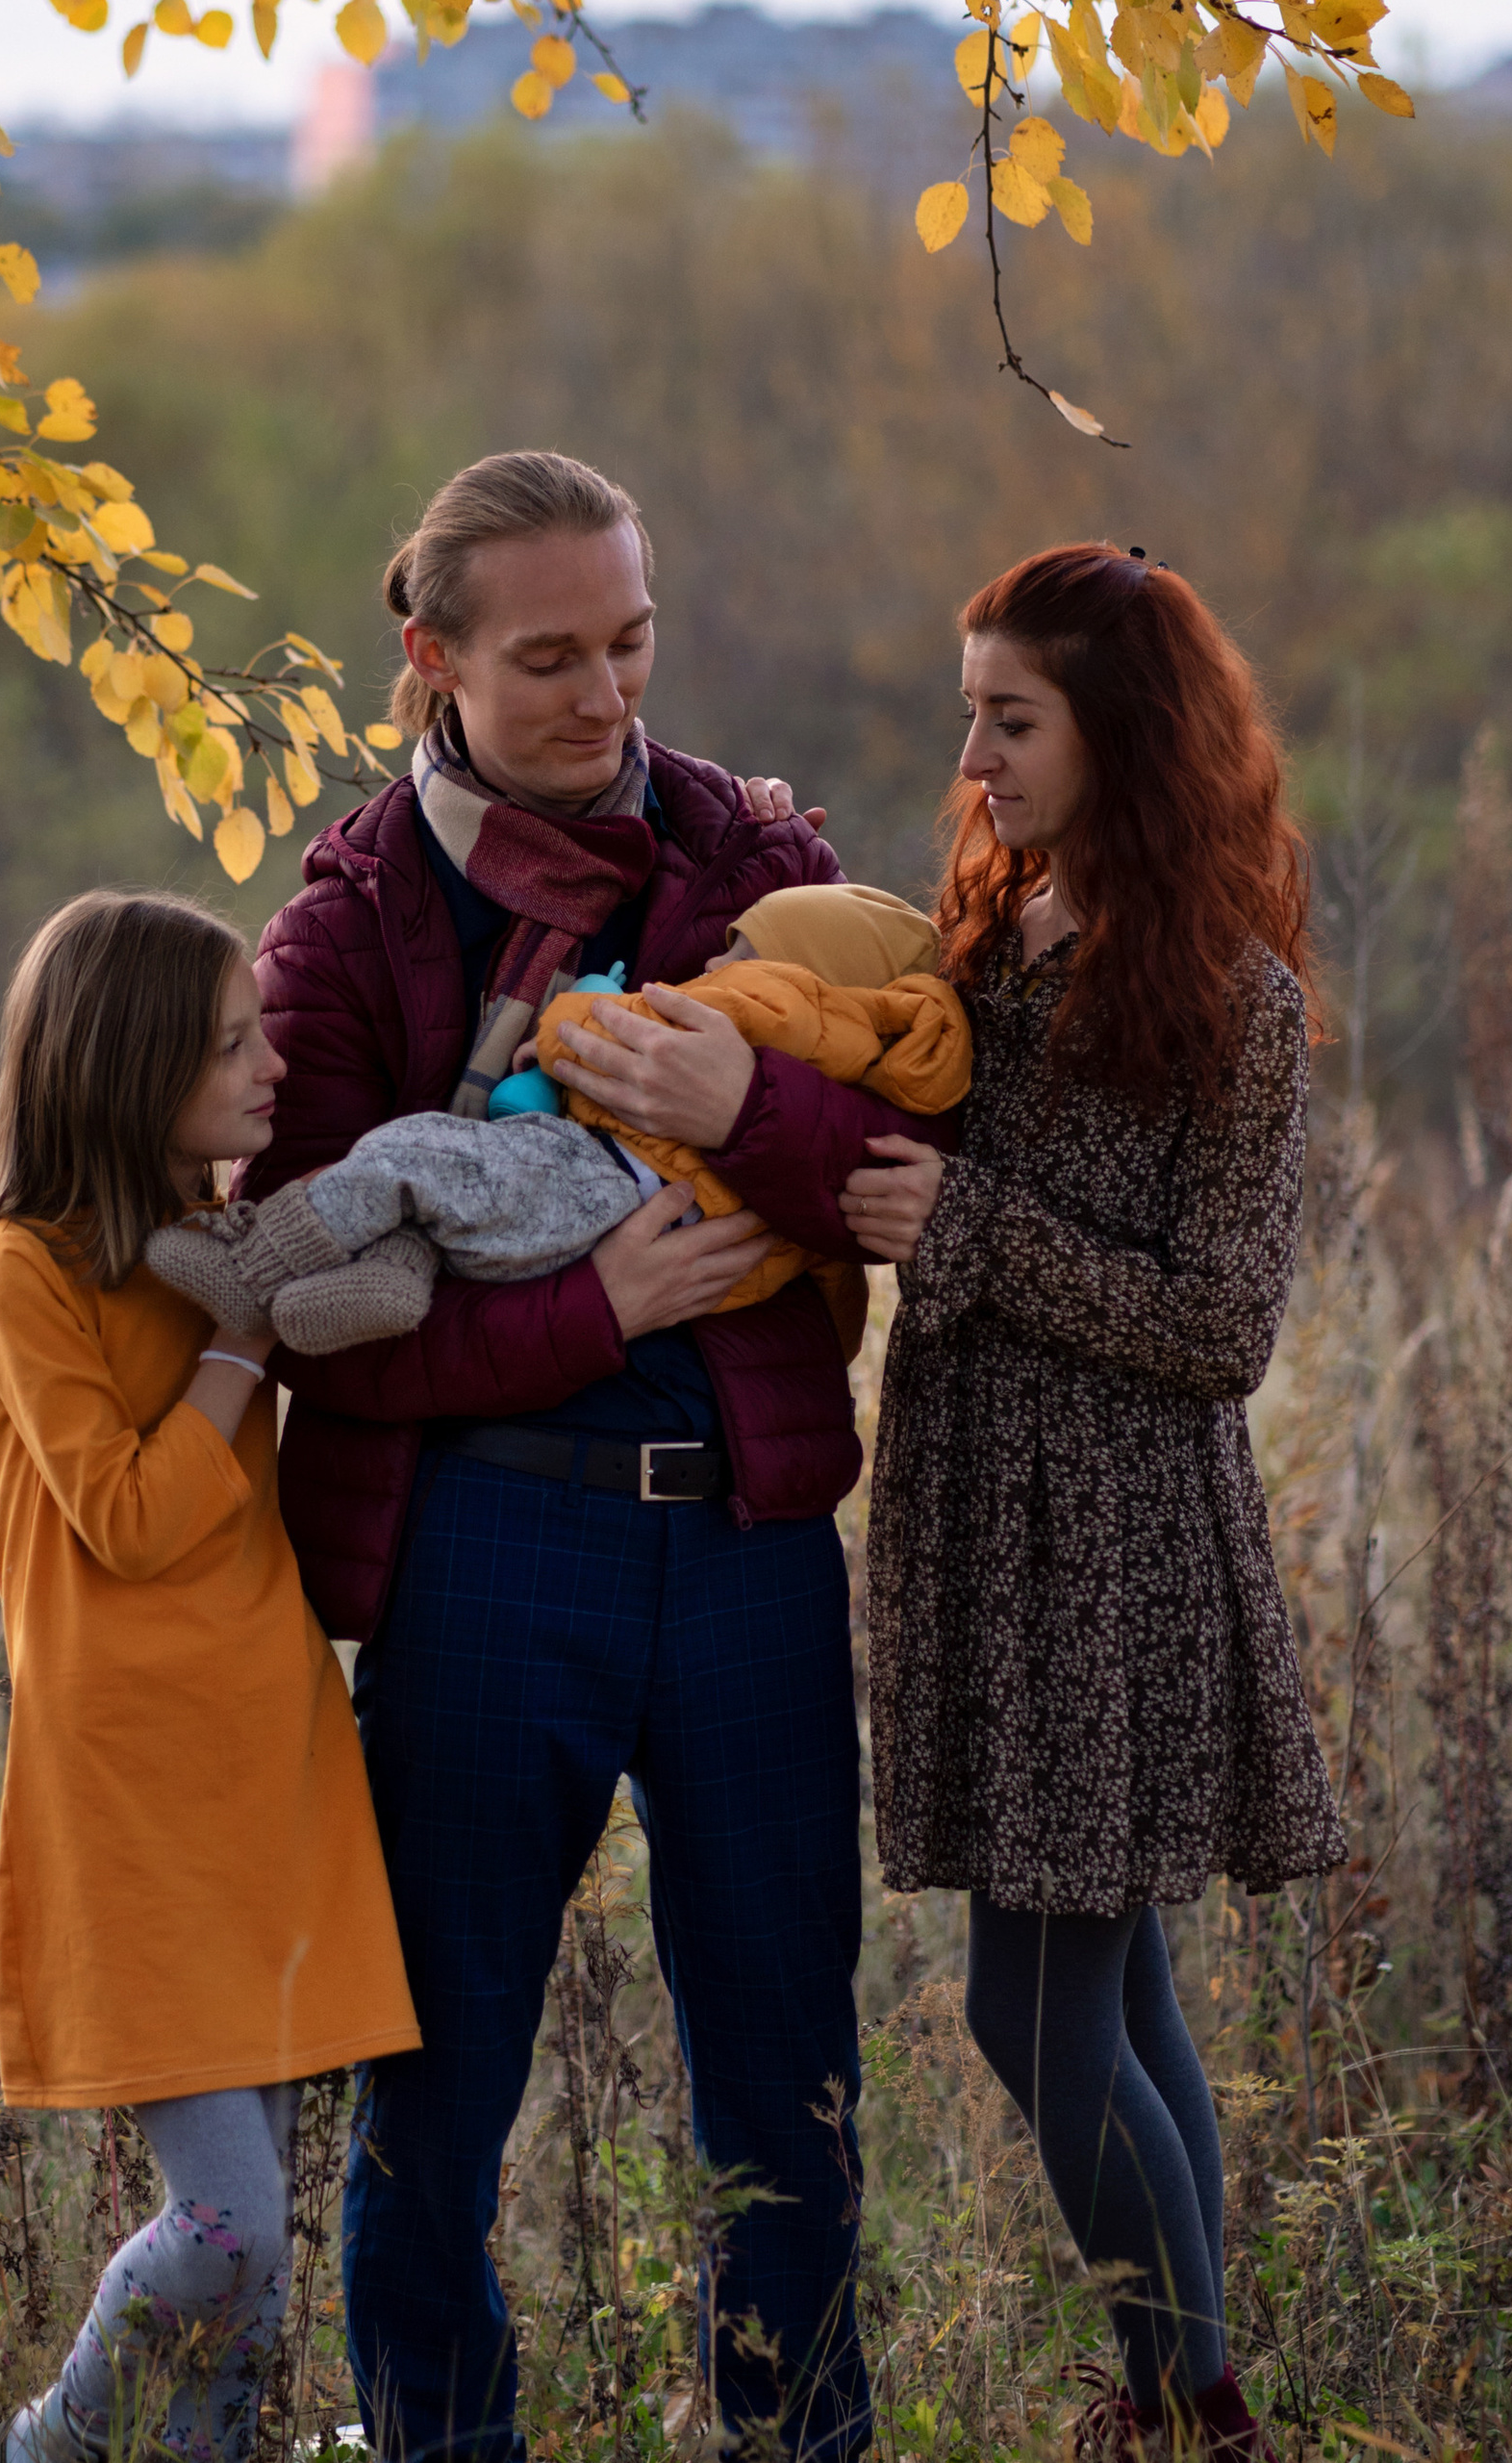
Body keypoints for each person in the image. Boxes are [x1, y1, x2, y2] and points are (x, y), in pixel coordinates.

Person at [242, 450, 946, 2463]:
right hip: (481, 1553)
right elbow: (311, 1310)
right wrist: (594, 1307)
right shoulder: (350, 925)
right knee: (436, 2095)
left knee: (787, 2083)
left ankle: (797, 2442)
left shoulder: (760, 856)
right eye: (547, 655)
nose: (603, 694)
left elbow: (909, 1166)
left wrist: (739, 1104)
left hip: (741, 1556)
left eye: (629, 641)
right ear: (429, 657)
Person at [841, 545, 1349, 2458]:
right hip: (977, 1521)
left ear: (1118, 732)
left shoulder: (1230, 999)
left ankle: (1190, 2407)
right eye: (967, 709)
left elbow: (1222, 1322)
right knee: (1114, 1989)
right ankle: (1176, 2398)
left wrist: (965, 1228)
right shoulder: (990, 934)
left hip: (1112, 1550)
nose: (971, 755)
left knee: (1033, 2007)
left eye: (1011, 717)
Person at [0, 889, 421, 2463]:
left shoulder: (211, 1243)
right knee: (228, 2233)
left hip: (269, 1760)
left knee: (258, 2291)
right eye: (230, 1044)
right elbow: (132, 1519)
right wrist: (245, 1342)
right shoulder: (27, 1274)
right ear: (131, 1068)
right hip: (133, 1796)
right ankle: (55, 2445)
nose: (268, 1065)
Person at [144, 881, 969, 1355]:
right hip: (645, 1221)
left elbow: (606, 1030)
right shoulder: (858, 1058)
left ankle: (250, 1273)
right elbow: (836, 1265)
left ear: (791, 963)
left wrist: (562, 1026)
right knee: (436, 1212)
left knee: (413, 1153)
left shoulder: (770, 999)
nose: (714, 963)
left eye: (736, 948)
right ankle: (396, 1276)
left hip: (589, 1177)